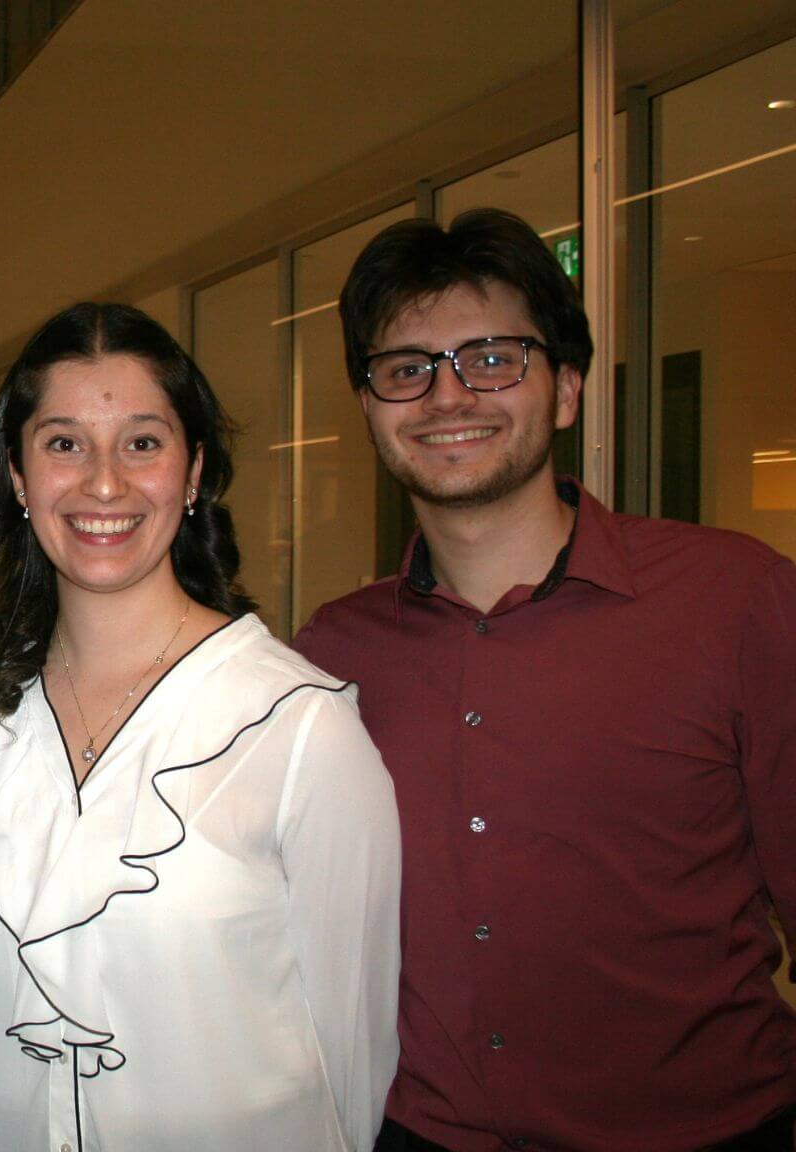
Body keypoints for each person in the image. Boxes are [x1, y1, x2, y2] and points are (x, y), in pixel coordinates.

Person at [295, 208, 796, 1151]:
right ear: (369, 408)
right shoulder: (331, 658)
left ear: (565, 389)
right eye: (406, 369)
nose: (448, 396)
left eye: (492, 358)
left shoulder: (738, 604)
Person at [0, 302, 400, 1151]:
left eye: (143, 442)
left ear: (193, 475)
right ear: (16, 475)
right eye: (63, 442)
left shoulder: (298, 729)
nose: (103, 482)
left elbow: (353, 1059)